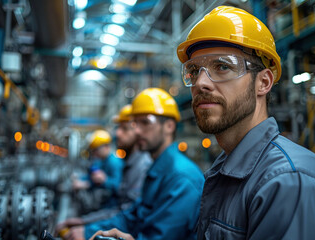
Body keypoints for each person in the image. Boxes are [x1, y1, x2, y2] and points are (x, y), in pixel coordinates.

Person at [176, 6, 315, 239]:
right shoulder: (226, 171)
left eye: (222, 66)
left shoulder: (289, 183)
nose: (200, 82)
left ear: (263, 82)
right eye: (193, 70)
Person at [63, 88, 205, 240]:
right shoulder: (157, 169)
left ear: (169, 126)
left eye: (145, 122)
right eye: (135, 124)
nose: (137, 131)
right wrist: (87, 231)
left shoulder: (181, 179)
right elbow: (132, 216)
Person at [56, 105, 152, 230]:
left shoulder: (122, 163)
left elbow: (126, 209)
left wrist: (88, 229)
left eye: (125, 129)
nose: (117, 133)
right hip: (111, 213)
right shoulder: (113, 162)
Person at [73, 129, 124, 215]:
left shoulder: (114, 162)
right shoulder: (100, 161)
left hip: (113, 208)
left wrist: (105, 180)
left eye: (96, 150)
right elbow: (92, 176)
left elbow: (119, 187)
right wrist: (81, 180)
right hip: (102, 204)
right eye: (93, 150)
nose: (94, 153)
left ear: (106, 147)